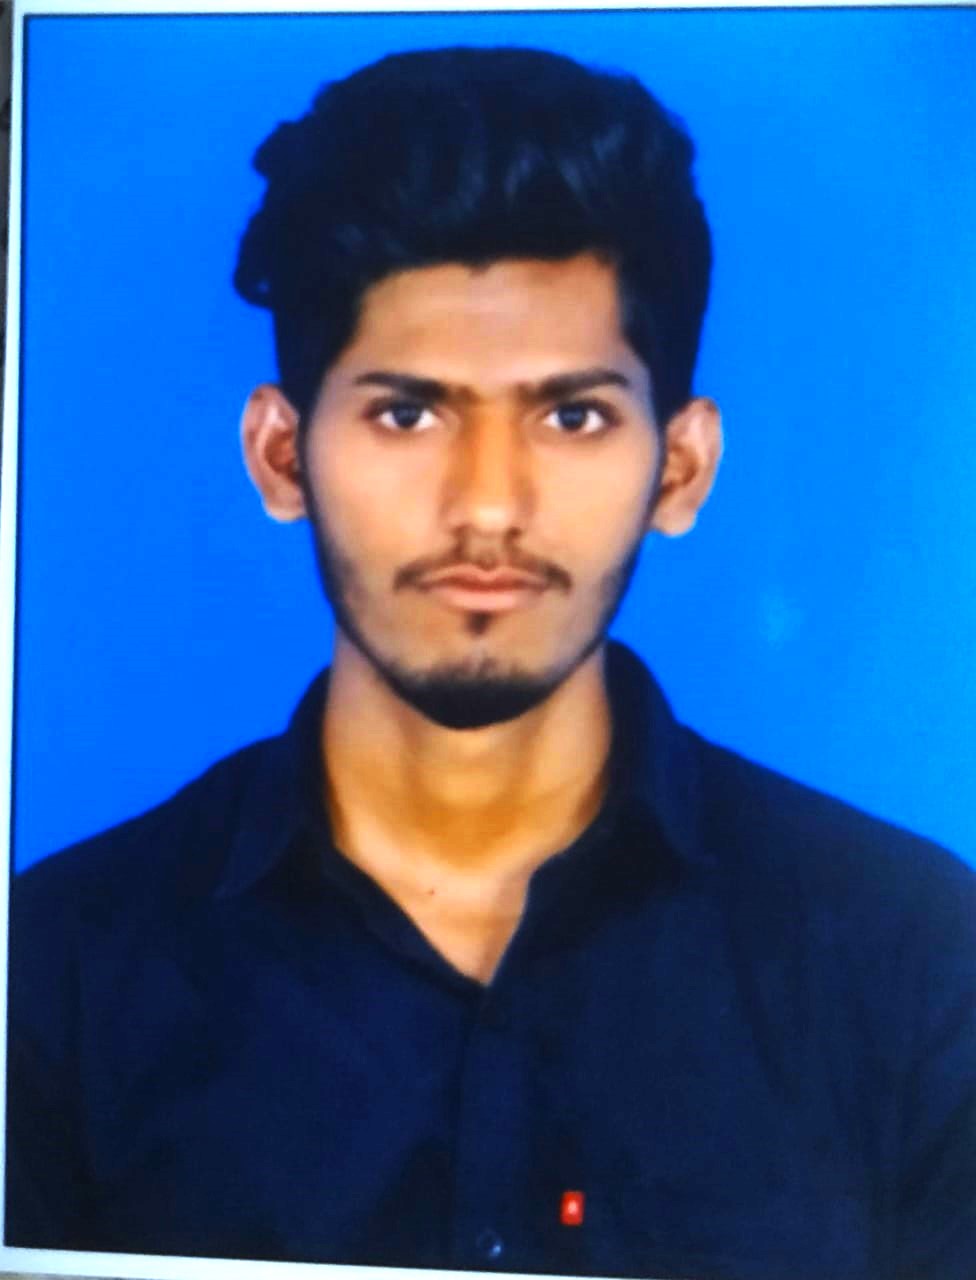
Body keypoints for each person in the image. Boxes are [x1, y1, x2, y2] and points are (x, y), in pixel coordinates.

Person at [6, 46, 974, 1280]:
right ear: (279, 453)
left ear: (679, 467)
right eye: (407, 411)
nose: (487, 505)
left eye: (572, 415)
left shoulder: (913, 956)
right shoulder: (53, 974)